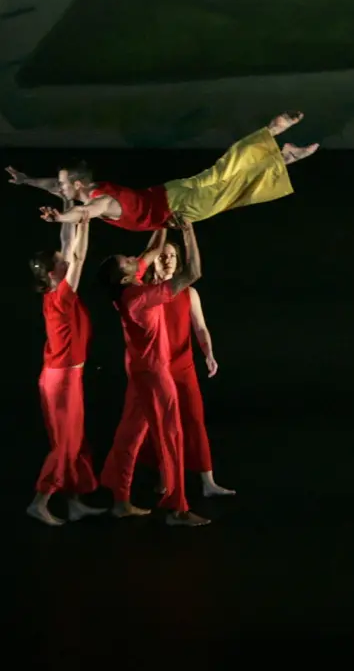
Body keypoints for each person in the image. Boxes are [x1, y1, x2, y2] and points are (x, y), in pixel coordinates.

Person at [98, 222, 209, 527]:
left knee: (129, 436)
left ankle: (120, 500)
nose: (137, 259)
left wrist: (161, 220)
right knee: (172, 436)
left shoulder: (127, 284)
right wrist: (187, 232)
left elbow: (152, 250)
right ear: (124, 273)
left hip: (137, 370)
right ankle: (177, 508)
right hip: (154, 374)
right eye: (129, 261)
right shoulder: (138, 296)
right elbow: (192, 274)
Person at [34, 112, 319, 231]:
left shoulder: (101, 202)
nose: (60, 190)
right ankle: (271, 131)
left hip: (179, 208)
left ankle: (285, 156)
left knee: (233, 189)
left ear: (79, 183)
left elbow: (83, 213)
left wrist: (61, 217)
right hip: (171, 189)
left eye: (63, 186)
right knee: (224, 168)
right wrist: (27, 180)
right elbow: (53, 185)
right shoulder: (93, 186)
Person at [138, 238, 234, 498]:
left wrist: (209, 354)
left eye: (172, 256)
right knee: (158, 425)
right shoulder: (144, 292)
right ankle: (165, 479)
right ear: (154, 260)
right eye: (162, 256)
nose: (167, 260)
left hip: (183, 366)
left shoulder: (188, 292)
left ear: (179, 262)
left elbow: (200, 327)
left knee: (194, 421)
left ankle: (208, 482)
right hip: (156, 369)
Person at [27, 218, 107, 525]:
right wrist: (83, 223)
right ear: (52, 273)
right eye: (61, 263)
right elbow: (79, 256)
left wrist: (72, 215)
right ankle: (40, 501)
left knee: (75, 440)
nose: (67, 260)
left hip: (66, 378)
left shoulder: (59, 295)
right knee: (65, 444)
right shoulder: (60, 297)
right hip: (60, 380)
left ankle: (74, 503)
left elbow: (69, 248)